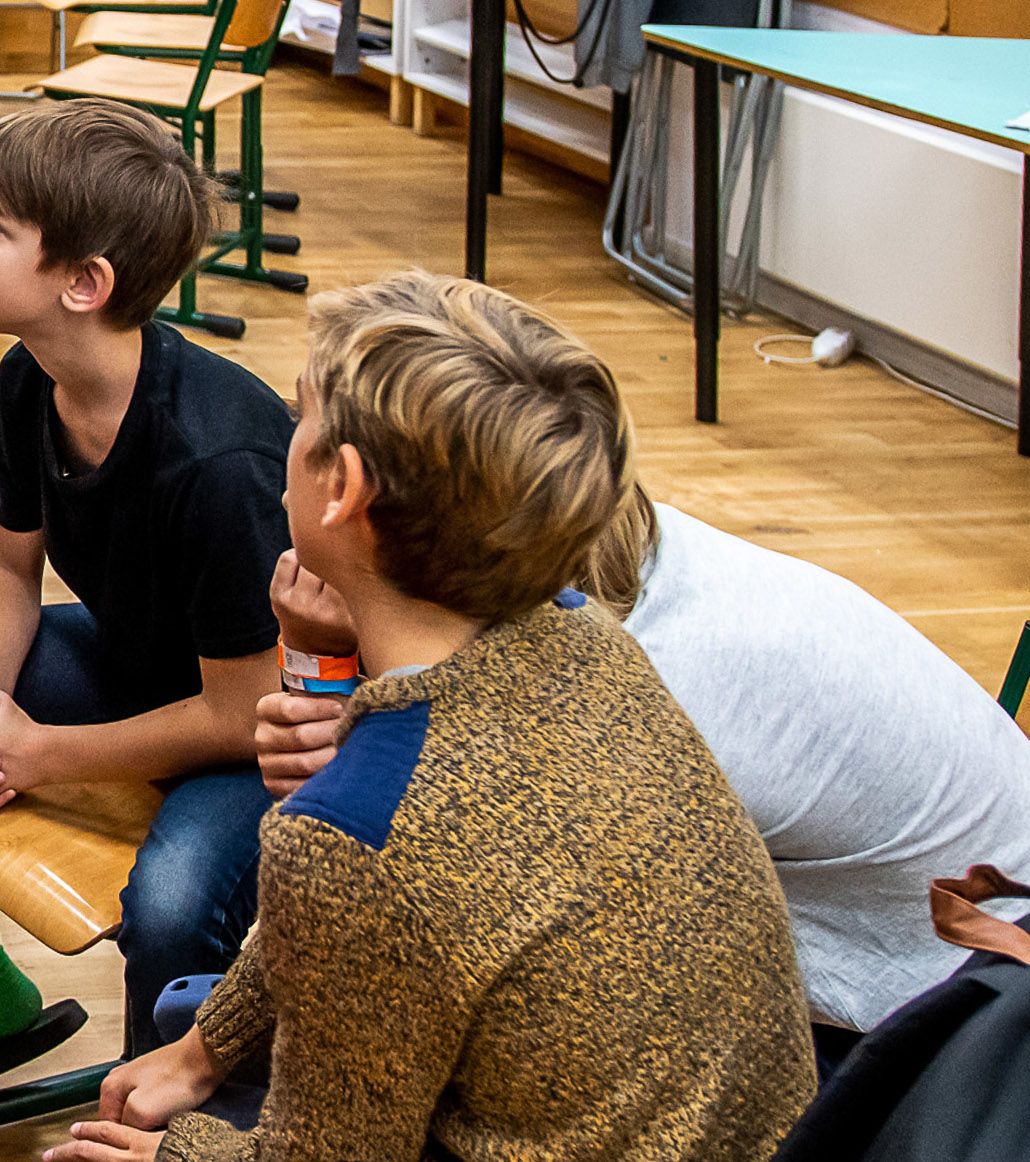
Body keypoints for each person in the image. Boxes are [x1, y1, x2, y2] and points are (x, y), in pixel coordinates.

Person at [61, 271, 815, 1162]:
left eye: (298, 416)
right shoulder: (579, 634)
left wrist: (182, 1155)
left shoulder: (352, 836)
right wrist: (209, 1044)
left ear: (339, 487)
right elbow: (381, 907)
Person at [252, 412, 1030, 1073]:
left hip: (956, 1036)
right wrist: (336, 660)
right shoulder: (590, 579)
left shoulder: (633, 687)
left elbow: (404, 921)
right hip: (923, 965)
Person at [0, 101, 287, 1073]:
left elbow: (243, 710)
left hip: (255, 741)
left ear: (85, 283)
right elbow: (10, 565)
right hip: (134, 669)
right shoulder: (28, 379)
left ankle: (163, 1113)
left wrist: (41, 754)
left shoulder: (219, 462)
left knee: (172, 906)